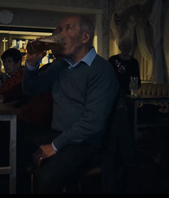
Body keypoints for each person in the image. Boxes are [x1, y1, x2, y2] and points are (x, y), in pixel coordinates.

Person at [17, 15, 119, 193]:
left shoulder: (101, 70)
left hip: (87, 143)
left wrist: (55, 146)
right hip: (59, 135)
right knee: (16, 154)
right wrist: (32, 64)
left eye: (68, 29)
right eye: (60, 29)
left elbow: (93, 122)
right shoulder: (60, 66)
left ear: (85, 37)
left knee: (47, 176)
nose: (60, 34)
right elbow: (31, 90)